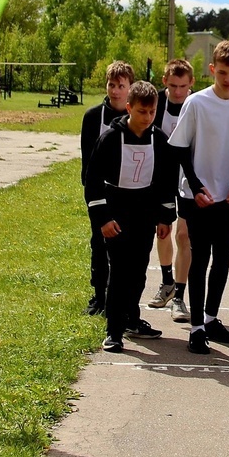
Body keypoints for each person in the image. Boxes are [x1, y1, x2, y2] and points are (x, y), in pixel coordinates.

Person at [169, 41, 229, 354]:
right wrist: (194, 185)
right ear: (212, 69)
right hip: (197, 196)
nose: (227, 78)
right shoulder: (196, 103)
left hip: (226, 195)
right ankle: (195, 328)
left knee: (223, 257)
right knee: (200, 256)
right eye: (222, 72)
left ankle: (210, 319)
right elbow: (179, 147)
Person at [85, 81, 175, 353]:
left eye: (151, 112)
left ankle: (132, 320)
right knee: (120, 273)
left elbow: (165, 180)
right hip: (117, 212)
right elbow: (93, 181)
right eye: (141, 112)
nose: (147, 118)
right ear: (129, 108)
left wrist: (164, 217)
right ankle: (114, 330)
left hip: (145, 213)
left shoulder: (158, 139)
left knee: (138, 272)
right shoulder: (111, 138)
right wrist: (103, 218)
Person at [80, 60, 135, 317]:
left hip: (127, 192)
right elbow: (87, 161)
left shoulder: (136, 117)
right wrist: (92, 195)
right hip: (100, 192)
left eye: (121, 86)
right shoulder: (93, 117)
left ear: (130, 88)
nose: (115, 90)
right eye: (111, 85)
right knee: (99, 243)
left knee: (126, 248)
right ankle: (98, 295)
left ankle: (123, 299)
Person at [148, 59, 194, 323]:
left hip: (188, 177)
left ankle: (179, 297)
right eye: (173, 86)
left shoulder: (197, 105)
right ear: (164, 82)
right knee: (163, 231)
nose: (178, 92)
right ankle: (167, 283)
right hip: (161, 178)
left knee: (184, 236)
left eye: (183, 86)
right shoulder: (156, 103)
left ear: (191, 84)